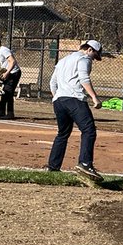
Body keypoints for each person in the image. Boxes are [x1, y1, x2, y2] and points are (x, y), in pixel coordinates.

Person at [47, 39, 104, 182]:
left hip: (59, 101)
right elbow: (84, 78)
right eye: (94, 55)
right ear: (89, 50)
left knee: (62, 133)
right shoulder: (84, 58)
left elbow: (52, 82)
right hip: (74, 99)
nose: (94, 59)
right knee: (89, 130)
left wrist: (57, 97)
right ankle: (85, 163)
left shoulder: (64, 60)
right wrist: (94, 98)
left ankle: (53, 167)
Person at [0, 34, 22, 120]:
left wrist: (7, 73)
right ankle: (1, 111)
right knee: (4, 92)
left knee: (8, 93)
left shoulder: (4, 50)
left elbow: (12, 61)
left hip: (14, 73)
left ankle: (10, 113)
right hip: (9, 74)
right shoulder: (0, 51)